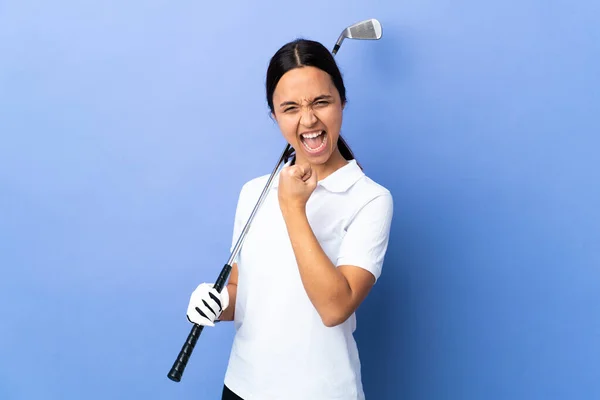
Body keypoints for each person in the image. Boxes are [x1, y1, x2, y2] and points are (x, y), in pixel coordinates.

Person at [186, 38, 394, 400]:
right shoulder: (254, 191)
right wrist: (216, 303)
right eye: (290, 108)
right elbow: (242, 291)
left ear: (342, 102)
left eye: (321, 102)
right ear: (274, 115)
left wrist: (293, 208)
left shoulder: (371, 199)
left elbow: (335, 308)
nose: (308, 119)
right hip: (242, 387)